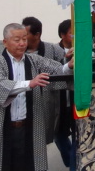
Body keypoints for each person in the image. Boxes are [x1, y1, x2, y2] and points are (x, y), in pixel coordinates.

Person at [0, 23, 72, 171]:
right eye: (17, 40)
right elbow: (0, 86)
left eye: (24, 39)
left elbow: (57, 70)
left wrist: (69, 65)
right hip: (3, 127)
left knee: (30, 165)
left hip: (30, 125)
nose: (22, 43)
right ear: (5, 42)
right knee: (2, 165)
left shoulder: (34, 60)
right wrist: (30, 83)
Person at [21, 16, 65, 148]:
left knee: (44, 138)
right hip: (24, 99)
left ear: (37, 34)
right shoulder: (18, 51)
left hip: (48, 100)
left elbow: (62, 70)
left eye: (26, 34)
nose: (22, 37)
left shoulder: (54, 50)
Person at [55, 19, 75, 171]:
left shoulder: (82, 48)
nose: (74, 36)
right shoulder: (53, 50)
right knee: (59, 134)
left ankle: (74, 163)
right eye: (71, 33)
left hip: (75, 99)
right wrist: (66, 60)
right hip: (59, 100)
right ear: (62, 35)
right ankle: (70, 160)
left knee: (77, 133)